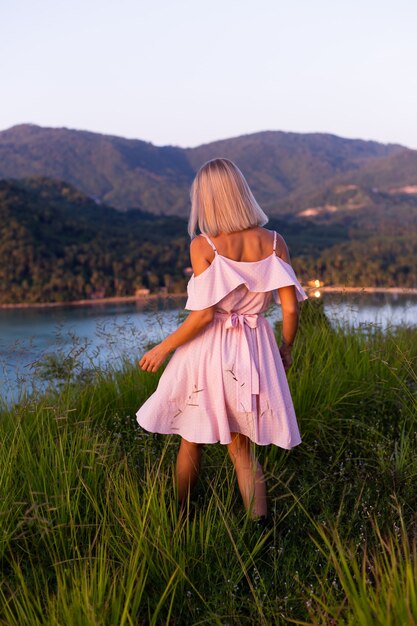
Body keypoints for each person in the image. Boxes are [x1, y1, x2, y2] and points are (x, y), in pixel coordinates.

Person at [136, 158, 307, 520]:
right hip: (254, 348)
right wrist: (286, 348)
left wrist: (163, 347)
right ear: (241, 193)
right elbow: (290, 310)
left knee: (190, 439)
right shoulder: (275, 242)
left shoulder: (203, 246)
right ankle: (260, 528)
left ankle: (181, 518)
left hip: (209, 350)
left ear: (206, 200)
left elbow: (203, 315)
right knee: (242, 449)